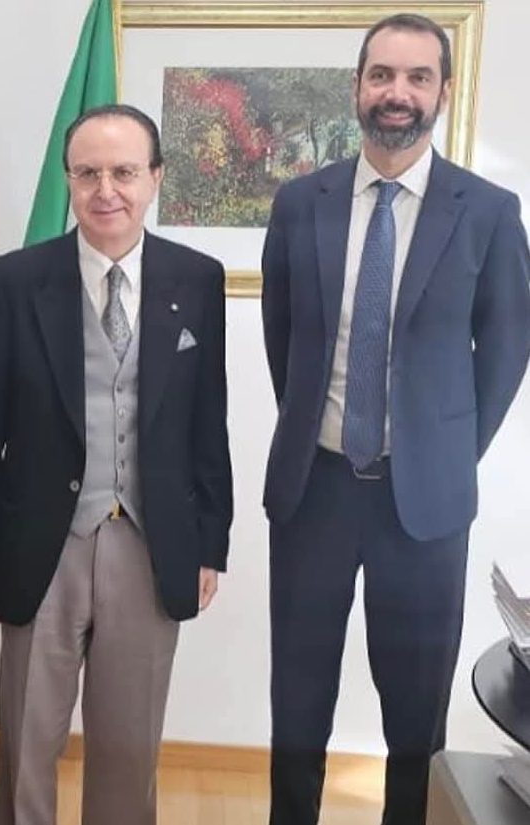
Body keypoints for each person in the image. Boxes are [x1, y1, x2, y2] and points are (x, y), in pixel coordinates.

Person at [261, 14, 530, 825]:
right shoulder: (299, 203)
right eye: (381, 74)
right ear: (356, 87)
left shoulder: (486, 211)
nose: (396, 92)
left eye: (417, 77)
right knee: (296, 707)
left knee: (414, 718)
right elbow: (283, 338)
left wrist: (441, 451)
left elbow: (505, 349)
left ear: (442, 91)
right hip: (313, 489)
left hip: (424, 508)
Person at [0, 103, 233, 825]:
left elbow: (206, 419)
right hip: (40, 540)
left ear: (155, 178)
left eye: (123, 171)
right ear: (68, 179)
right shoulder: (13, 279)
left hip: (151, 541)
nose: (105, 190)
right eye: (87, 173)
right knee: (28, 740)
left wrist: (209, 542)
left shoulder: (196, 277)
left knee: (129, 745)